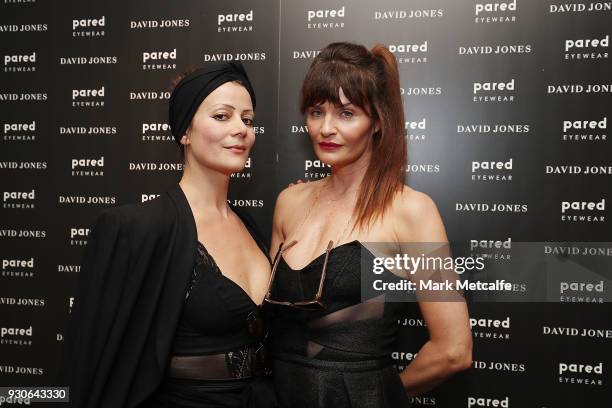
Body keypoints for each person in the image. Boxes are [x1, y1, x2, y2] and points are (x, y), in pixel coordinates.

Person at [266, 42, 473, 407]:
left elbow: (454, 350)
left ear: (377, 121)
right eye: (316, 112)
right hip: (275, 394)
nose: (326, 128)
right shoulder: (289, 202)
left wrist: (377, 394)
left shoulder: (411, 211)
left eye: (346, 113)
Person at [60, 62, 276, 408]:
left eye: (247, 120)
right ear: (184, 132)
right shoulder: (137, 229)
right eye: (222, 116)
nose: (241, 130)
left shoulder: (251, 225)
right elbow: (89, 361)